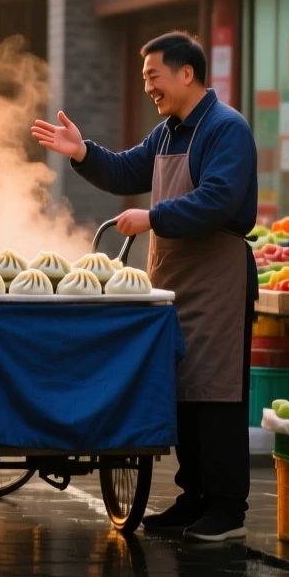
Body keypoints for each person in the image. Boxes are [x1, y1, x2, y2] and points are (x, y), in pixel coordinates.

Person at [32, 32, 257, 543]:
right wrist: (83, 152)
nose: (149, 87)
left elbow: (219, 200)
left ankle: (227, 509)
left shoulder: (226, 129)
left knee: (217, 397)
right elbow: (127, 169)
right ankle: (194, 496)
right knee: (182, 393)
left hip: (219, 280)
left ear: (186, 73)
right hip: (175, 279)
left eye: (154, 76)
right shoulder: (168, 131)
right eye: (144, 79)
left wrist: (152, 215)